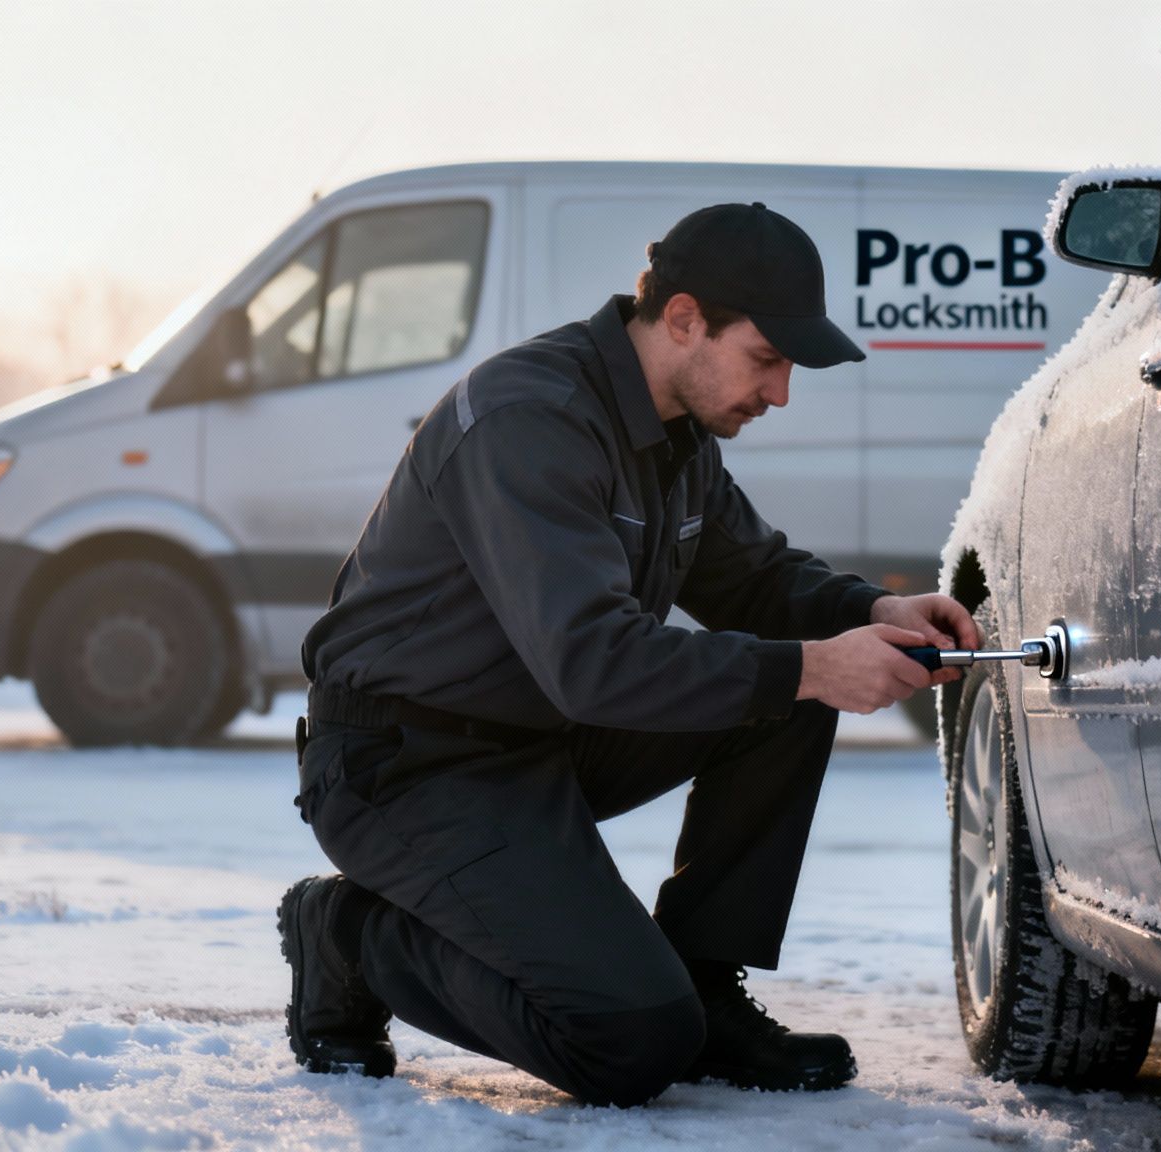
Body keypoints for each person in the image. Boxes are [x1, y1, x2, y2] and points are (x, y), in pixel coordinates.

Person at [279, 201, 981, 1107]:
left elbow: (754, 577)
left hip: (540, 741)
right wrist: (815, 663)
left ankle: (704, 983)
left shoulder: (677, 431)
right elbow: (594, 661)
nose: (780, 393)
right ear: (684, 319)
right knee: (627, 1042)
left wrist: (875, 610)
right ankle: (347, 934)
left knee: (791, 687)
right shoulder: (528, 419)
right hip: (407, 766)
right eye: (768, 359)